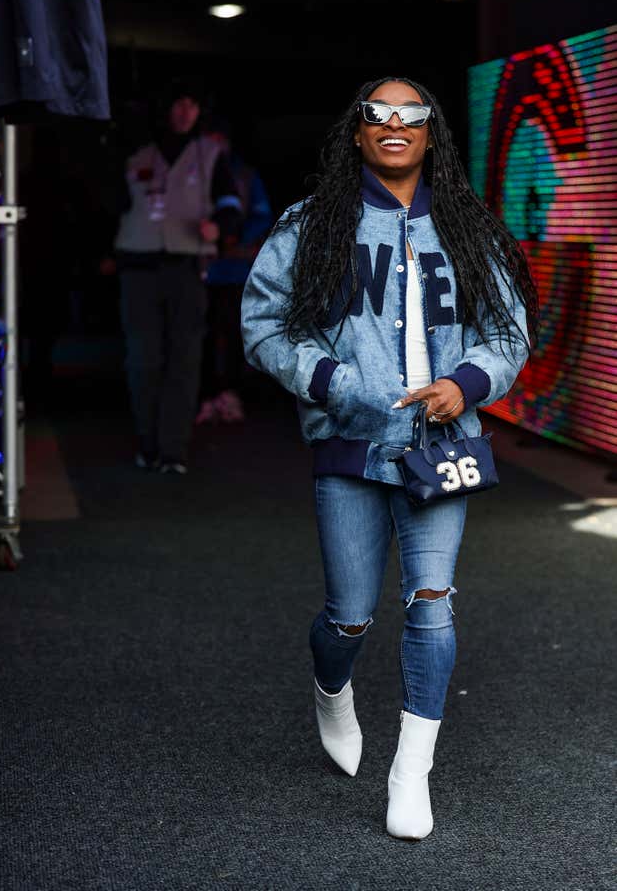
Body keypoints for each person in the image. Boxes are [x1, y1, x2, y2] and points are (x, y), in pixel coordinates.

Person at [241, 77, 538, 839]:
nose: (396, 124)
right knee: (347, 619)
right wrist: (332, 385)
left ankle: (410, 773)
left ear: (432, 135)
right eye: (379, 114)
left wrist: (463, 384)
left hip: (440, 449)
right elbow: (264, 323)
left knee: (430, 605)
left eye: (413, 116)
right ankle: (330, 690)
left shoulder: (468, 228)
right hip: (350, 447)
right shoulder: (314, 225)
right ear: (358, 133)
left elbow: (507, 333)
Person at [113, 82, 242, 473]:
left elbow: (231, 203)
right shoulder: (134, 149)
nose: (186, 111)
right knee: (143, 358)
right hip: (138, 266)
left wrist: (218, 227)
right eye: (178, 103)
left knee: (184, 360)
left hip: (187, 267)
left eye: (192, 104)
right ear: (165, 107)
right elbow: (109, 196)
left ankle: (173, 451)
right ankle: (148, 444)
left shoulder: (209, 153)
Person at [197, 118, 273, 424]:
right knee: (199, 334)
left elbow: (261, 214)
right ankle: (204, 396)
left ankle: (229, 394)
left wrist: (234, 235)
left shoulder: (243, 175)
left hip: (234, 269)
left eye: (218, 137)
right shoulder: (194, 171)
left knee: (231, 333)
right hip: (200, 267)